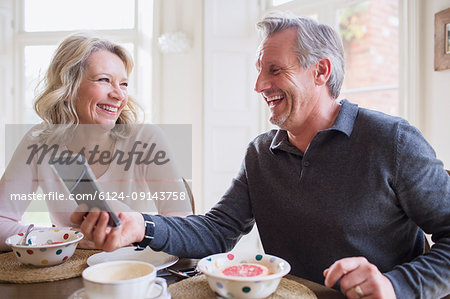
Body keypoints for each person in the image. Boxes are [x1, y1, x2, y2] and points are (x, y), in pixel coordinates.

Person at [72, 13, 450, 299]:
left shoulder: (392, 141)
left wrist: (394, 285)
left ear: (320, 71)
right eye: (258, 71)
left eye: (274, 70)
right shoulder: (260, 153)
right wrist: (141, 226)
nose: (259, 85)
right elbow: (217, 231)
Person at [0, 33, 192, 251]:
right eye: (104, 80)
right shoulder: (38, 141)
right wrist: (63, 237)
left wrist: (137, 228)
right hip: (68, 272)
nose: (119, 95)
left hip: (133, 266)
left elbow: (183, 227)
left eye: (124, 83)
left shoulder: (146, 139)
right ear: (68, 87)